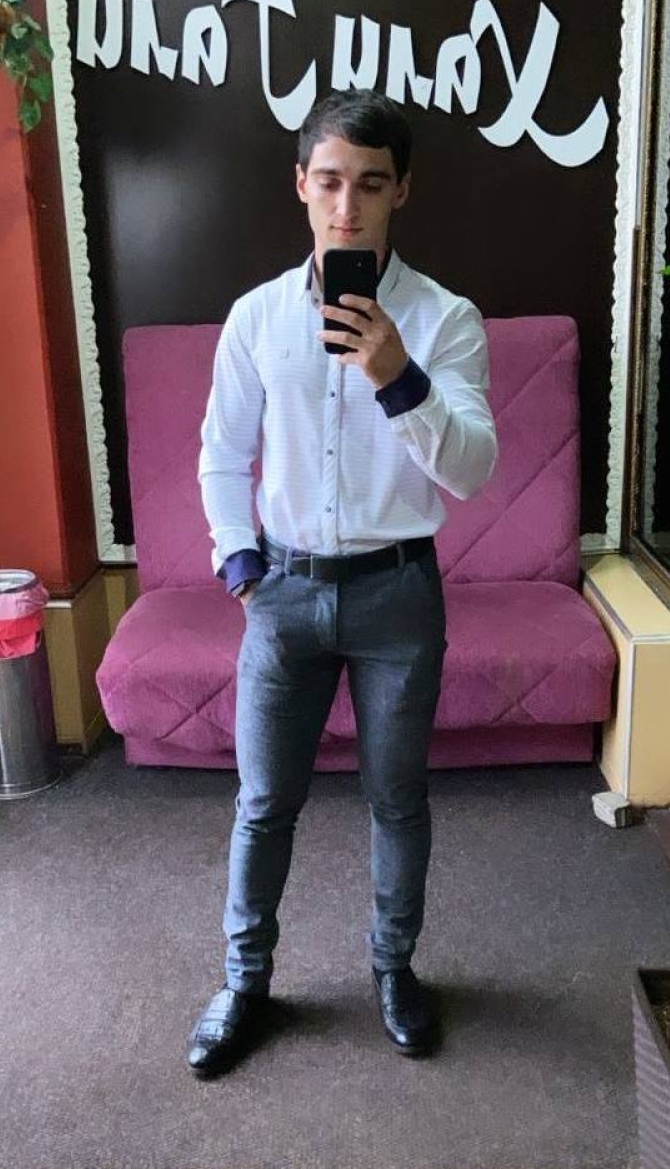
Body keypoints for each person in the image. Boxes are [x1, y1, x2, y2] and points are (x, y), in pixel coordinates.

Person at [190, 88, 498, 1077]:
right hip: (282, 594)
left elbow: (472, 470)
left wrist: (397, 372)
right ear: (300, 185)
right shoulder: (256, 317)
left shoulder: (444, 320)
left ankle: (394, 969)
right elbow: (221, 453)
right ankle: (244, 982)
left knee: (397, 798)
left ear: (402, 189)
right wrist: (240, 564)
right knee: (263, 801)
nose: (346, 207)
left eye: (370, 184)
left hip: (398, 597)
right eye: (329, 182)